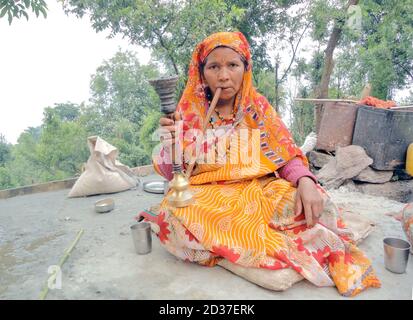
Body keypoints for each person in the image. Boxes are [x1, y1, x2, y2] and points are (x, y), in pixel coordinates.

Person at [141, 32, 380, 297]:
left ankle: (231, 247)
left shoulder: (259, 108)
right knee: (171, 218)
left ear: (245, 68)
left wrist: (305, 180)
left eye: (233, 65)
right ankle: (251, 245)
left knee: (317, 202)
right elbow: (171, 174)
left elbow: (286, 155)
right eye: (214, 67)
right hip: (208, 196)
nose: (223, 76)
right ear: (202, 72)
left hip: (260, 189)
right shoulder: (185, 113)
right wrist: (170, 145)